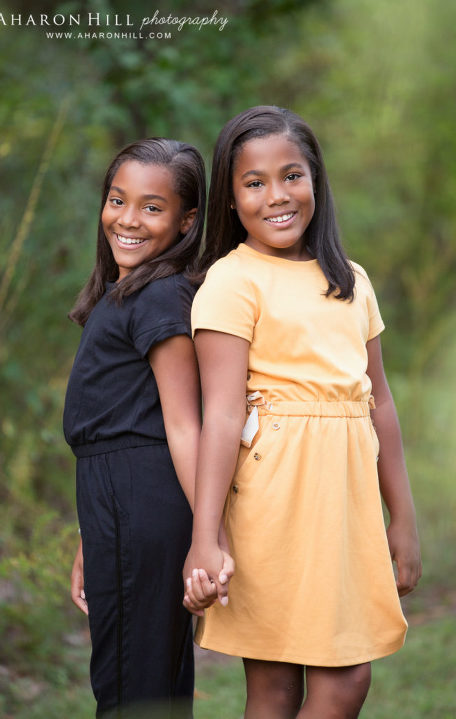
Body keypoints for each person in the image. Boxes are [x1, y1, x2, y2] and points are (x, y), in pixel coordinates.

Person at [183, 106, 422, 719]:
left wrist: (402, 517)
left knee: (346, 677)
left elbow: (379, 401)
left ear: (315, 178)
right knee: (278, 686)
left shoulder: (352, 281)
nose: (277, 196)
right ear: (230, 198)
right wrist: (205, 538)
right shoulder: (232, 282)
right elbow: (221, 417)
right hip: (274, 501)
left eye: (291, 175)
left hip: (345, 504)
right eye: (254, 182)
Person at [63, 138, 230, 719]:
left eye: (152, 207)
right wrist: (91, 538)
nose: (128, 219)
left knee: (134, 687)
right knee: (144, 683)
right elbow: (124, 425)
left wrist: (209, 537)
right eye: (117, 200)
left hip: (141, 499)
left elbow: (183, 427)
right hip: (117, 500)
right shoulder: (127, 293)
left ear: (187, 220)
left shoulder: (159, 296)